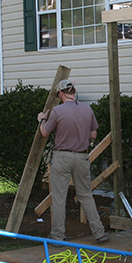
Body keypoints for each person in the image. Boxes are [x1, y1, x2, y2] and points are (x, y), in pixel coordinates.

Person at [36, 79, 110, 245]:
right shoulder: (87, 109)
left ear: (61, 93)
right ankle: (99, 233)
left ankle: (57, 237)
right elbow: (93, 135)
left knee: (59, 197)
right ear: (74, 92)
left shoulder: (57, 111)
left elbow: (45, 133)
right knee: (86, 195)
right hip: (82, 157)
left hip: (62, 157)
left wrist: (42, 119)